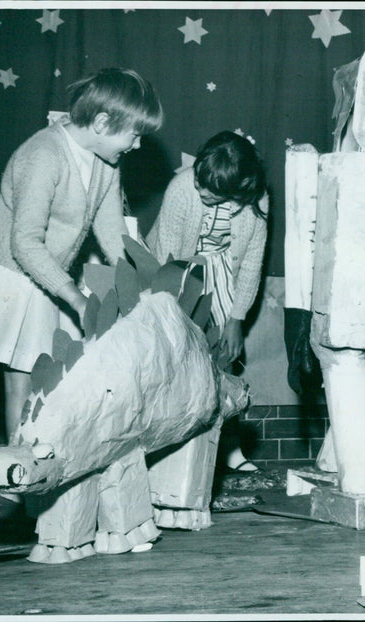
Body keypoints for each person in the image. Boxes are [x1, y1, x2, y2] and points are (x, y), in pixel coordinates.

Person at [0, 67, 163, 443]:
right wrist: (77, 299)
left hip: (49, 276)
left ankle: (21, 472)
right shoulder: (44, 153)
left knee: (31, 378)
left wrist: (146, 284)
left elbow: (112, 234)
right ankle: (16, 469)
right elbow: (25, 244)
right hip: (12, 273)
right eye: (135, 134)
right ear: (101, 122)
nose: (137, 145)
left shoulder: (105, 161)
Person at [146, 130, 268, 472]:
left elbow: (252, 264)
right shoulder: (182, 188)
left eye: (209, 191)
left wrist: (235, 318)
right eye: (199, 181)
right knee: (175, 359)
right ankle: (165, 456)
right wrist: (176, 318)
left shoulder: (256, 200)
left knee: (223, 360)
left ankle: (228, 449)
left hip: (223, 270)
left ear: (238, 190)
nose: (199, 190)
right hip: (176, 270)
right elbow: (170, 260)